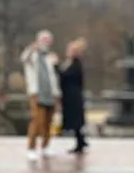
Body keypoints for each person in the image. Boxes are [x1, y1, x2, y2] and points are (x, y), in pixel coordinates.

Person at [20, 30, 62, 161]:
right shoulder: (32, 54)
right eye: (44, 40)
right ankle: (31, 148)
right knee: (37, 121)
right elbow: (24, 58)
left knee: (48, 122)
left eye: (48, 40)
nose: (46, 42)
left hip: (50, 93)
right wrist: (32, 48)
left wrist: (57, 94)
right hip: (37, 93)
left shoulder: (50, 56)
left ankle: (46, 146)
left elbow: (54, 77)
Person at [59, 37, 88, 154]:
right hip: (71, 95)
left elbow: (65, 76)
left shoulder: (76, 64)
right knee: (76, 122)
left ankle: (80, 143)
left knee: (76, 121)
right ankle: (81, 141)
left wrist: (55, 66)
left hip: (73, 96)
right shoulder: (71, 63)